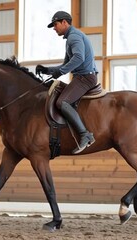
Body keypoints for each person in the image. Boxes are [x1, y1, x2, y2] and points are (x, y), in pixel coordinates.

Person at [36, 11, 98, 154]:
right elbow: (66, 64)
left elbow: (78, 58)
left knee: (62, 103)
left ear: (65, 22)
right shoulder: (71, 37)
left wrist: (61, 72)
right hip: (80, 77)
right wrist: (48, 70)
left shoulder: (74, 37)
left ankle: (85, 134)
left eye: (55, 24)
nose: (54, 28)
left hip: (85, 78)